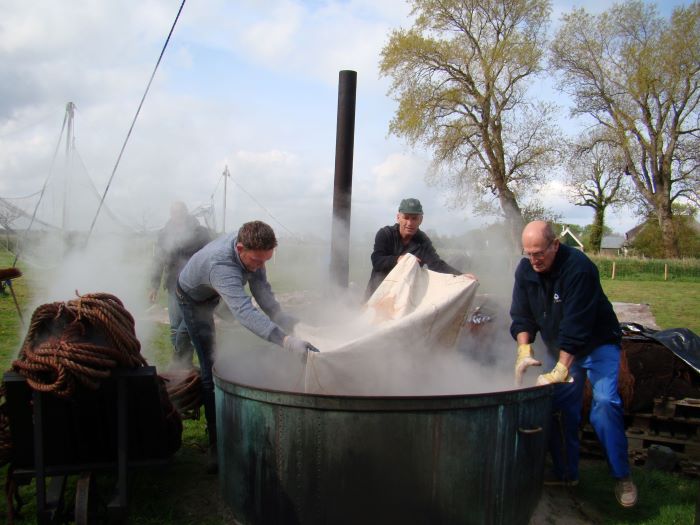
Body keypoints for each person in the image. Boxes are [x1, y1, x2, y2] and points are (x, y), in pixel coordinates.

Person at [509, 220, 637, 508]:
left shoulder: (579, 269)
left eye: (539, 253)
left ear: (555, 244)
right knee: (557, 405)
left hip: (597, 343)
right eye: (528, 253)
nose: (533, 260)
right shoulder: (526, 269)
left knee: (605, 404)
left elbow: (576, 327)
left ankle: (622, 477)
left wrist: (561, 369)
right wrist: (524, 350)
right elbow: (521, 315)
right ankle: (567, 474)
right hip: (563, 346)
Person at [176, 220, 316, 473]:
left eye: (266, 261)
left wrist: (282, 318)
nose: (260, 266)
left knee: (244, 330)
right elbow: (243, 311)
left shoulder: (253, 250)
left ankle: (182, 351)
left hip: (215, 292)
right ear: (240, 248)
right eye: (256, 261)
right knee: (209, 368)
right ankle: (216, 444)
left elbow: (261, 289)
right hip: (192, 299)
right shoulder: (221, 265)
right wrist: (285, 340)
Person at [365, 198, 475, 298]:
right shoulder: (385, 234)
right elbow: (377, 261)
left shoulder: (423, 241)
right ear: (398, 217)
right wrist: (399, 259)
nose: (410, 223)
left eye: (414, 218)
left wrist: (461, 276)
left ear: (420, 220)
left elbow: (437, 265)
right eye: (406, 217)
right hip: (376, 293)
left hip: (403, 298)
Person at [148, 201, 211, 368]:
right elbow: (159, 260)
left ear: (186, 212)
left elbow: (209, 258)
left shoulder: (200, 233)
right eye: (174, 212)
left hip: (196, 287)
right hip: (173, 284)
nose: (177, 216)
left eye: (180, 212)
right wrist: (154, 285)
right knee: (175, 327)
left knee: (193, 325)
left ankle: (195, 360)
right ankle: (182, 362)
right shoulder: (164, 234)